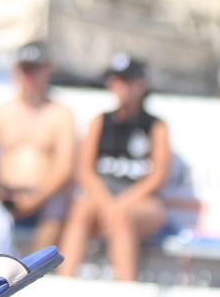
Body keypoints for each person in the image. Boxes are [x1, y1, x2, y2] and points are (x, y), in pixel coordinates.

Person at [58, 54, 172, 282]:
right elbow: (85, 170)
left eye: (125, 80)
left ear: (141, 84)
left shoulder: (155, 126)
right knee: (80, 210)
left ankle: (125, 285)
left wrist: (121, 204)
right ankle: (64, 282)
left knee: (123, 217)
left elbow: (158, 176)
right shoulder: (101, 121)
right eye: (115, 79)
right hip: (104, 196)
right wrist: (107, 203)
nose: (118, 85)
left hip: (140, 199)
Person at [0, 41, 76, 253]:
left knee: (56, 211)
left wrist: (36, 198)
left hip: (46, 196)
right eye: (25, 69)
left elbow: (65, 168)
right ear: (15, 71)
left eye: (35, 70)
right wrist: (2, 193)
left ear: (48, 70)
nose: (30, 76)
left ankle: (39, 268)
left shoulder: (60, 115)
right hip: (4, 192)